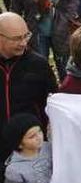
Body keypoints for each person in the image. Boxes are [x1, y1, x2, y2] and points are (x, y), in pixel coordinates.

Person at [11, 0, 79, 79]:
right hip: (37, 34)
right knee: (40, 68)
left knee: (64, 68)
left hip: (59, 30)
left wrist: (66, 17)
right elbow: (15, 12)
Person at [0, 11, 57, 165]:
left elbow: (53, 104)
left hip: (29, 151)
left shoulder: (38, 65)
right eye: (17, 39)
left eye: (26, 36)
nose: (24, 43)